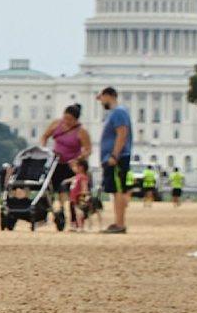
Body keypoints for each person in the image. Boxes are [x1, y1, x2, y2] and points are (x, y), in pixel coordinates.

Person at [41, 103, 92, 219]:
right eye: (65, 118)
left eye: (70, 119)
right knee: (49, 186)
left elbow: (88, 149)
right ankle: (51, 209)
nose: (67, 121)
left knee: (67, 188)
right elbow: (44, 136)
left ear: (76, 120)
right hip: (56, 162)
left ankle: (65, 210)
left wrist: (79, 159)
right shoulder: (56, 124)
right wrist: (44, 150)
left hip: (71, 165)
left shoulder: (81, 132)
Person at [96, 87, 133, 234]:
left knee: (118, 190)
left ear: (109, 96)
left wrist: (114, 155)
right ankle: (118, 221)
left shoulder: (118, 112)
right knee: (116, 190)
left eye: (102, 97)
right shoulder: (115, 113)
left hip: (116, 158)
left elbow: (122, 133)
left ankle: (120, 223)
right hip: (113, 157)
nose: (100, 100)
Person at [68, 158, 92, 231]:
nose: (73, 168)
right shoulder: (77, 176)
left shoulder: (83, 176)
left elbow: (84, 186)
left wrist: (84, 194)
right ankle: (74, 224)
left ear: (81, 167)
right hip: (73, 198)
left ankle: (80, 226)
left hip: (79, 197)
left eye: (75, 166)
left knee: (79, 212)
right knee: (73, 212)